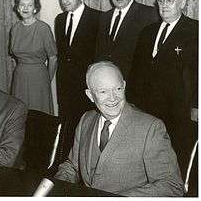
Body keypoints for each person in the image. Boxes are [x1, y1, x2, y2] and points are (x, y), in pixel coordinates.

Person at [54, 61, 184, 197]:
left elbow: (172, 185)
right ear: (90, 95)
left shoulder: (151, 128)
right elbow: (73, 167)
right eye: (103, 91)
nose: (112, 98)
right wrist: (53, 187)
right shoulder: (86, 120)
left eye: (118, 89)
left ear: (124, 86)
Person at [128, 0, 198, 180]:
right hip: (146, 109)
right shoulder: (148, 32)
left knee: (175, 159)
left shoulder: (195, 30)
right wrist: (131, 102)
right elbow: (136, 72)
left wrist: (197, 105)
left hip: (178, 110)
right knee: (147, 157)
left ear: (182, 3)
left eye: (170, 1)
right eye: (161, 1)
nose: (164, 6)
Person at [55, 0, 102, 159]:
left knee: (87, 128)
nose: (64, 1)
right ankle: (66, 164)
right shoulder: (59, 20)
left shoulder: (98, 18)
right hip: (65, 85)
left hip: (85, 86)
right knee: (67, 128)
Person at [95, 0, 159, 81]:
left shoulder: (149, 14)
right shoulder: (104, 17)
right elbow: (99, 53)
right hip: (108, 83)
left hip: (135, 83)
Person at [10, 0, 57, 115]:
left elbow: (53, 57)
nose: (25, 8)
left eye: (29, 5)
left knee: (39, 115)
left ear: (35, 8)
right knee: (19, 115)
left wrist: (47, 79)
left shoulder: (43, 28)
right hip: (19, 77)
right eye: (22, 5)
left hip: (39, 78)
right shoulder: (15, 29)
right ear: (18, 8)